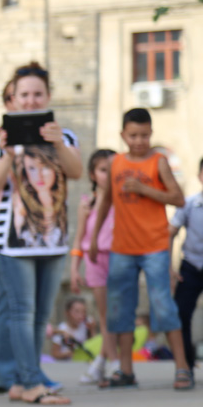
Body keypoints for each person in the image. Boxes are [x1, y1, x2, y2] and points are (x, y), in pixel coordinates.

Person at [0, 63, 83, 404]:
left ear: (48, 96)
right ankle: (27, 382)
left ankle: (31, 376)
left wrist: (58, 143)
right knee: (21, 312)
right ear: (15, 97)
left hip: (53, 238)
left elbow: (75, 171)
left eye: (37, 94)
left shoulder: (64, 136)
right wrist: (9, 154)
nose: (30, 100)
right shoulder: (1, 140)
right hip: (12, 241)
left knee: (41, 314)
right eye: (24, 94)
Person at [89, 108, 192, 390]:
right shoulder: (115, 164)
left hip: (155, 245)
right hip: (122, 246)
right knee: (120, 308)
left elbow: (179, 198)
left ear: (151, 134)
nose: (139, 141)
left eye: (144, 135)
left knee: (163, 305)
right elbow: (106, 201)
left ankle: (182, 367)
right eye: (133, 135)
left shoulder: (158, 162)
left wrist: (146, 190)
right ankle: (125, 370)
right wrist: (96, 237)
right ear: (123, 135)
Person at [69, 149, 119, 383]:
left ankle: (100, 362)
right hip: (95, 259)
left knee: (118, 313)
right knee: (104, 314)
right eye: (102, 170)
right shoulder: (87, 203)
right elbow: (79, 238)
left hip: (120, 258)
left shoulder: (123, 200)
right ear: (92, 174)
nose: (107, 175)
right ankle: (114, 362)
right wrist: (73, 268)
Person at [171, 157, 203, 373]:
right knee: (181, 313)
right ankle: (186, 365)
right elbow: (170, 233)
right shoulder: (189, 204)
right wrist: (169, 268)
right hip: (191, 265)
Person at [48, 297, 95, 361]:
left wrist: (92, 330)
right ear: (67, 313)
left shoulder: (85, 327)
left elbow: (93, 348)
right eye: (76, 311)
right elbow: (55, 354)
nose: (80, 316)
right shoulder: (62, 329)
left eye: (84, 312)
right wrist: (68, 354)